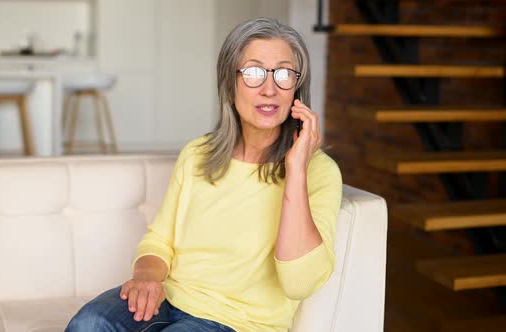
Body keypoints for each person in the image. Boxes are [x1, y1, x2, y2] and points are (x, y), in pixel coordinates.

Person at [66, 17, 342, 332]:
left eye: (283, 74)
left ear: (296, 87)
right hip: (168, 301)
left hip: (235, 323)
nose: (269, 89)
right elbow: (159, 240)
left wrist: (295, 169)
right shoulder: (198, 154)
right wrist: (145, 279)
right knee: (88, 323)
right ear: (230, 83)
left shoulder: (319, 172)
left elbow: (299, 283)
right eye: (253, 72)